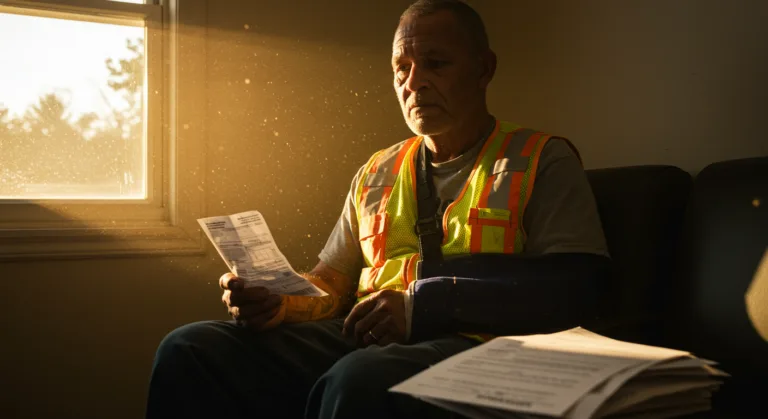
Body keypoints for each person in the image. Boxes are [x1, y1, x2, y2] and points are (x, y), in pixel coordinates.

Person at [146, 1, 610, 418]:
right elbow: (332, 283)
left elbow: (576, 287)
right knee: (190, 348)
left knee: (358, 379)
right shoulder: (377, 170)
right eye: (401, 69)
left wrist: (422, 306)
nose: (414, 83)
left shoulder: (540, 158)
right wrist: (279, 302)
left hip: (480, 345)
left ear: (483, 69)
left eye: (436, 64)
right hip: (366, 337)